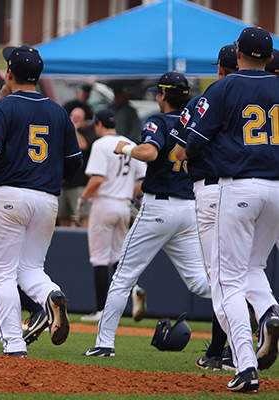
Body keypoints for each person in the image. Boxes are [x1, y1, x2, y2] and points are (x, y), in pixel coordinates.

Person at [82, 72, 212, 360]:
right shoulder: (197, 121)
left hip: (159, 208)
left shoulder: (158, 120)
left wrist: (126, 147)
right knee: (201, 283)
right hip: (188, 208)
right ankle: (252, 303)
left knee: (123, 278)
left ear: (163, 95)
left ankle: (104, 343)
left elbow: (150, 153)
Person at [0, 45, 82, 356]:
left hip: (8, 195)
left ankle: (14, 345)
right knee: (30, 268)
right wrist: (48, 177)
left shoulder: (3, 107)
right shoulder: (58, 111)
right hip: (45, 198)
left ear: (9, 74)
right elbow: (74, 163)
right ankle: (52, 294)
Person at [180, 27, 279, 393]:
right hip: (277, 189)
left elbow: (192, 145)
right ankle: (269, 311)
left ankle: (245, 365)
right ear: (270, 58)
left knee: (226, 282)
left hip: (238, 186)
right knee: (253, 267)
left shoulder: (223, 87)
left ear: (237, 54)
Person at [170, 44, 240, 372]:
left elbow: (182, 149)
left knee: (222, 278)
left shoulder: (210, 97)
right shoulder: (264, 94)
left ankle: (224, 351)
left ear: (223, 68)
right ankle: (224, 346)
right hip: (258, 187)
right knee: (247, 273)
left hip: (215, 191)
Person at [78, 109, 146, 322]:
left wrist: (83, 198)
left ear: (98, 124)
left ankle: (100, 310)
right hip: (123, 204)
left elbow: (97, 179)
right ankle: (134, 289)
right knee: (117, 256)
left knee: (99, 258)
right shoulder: (128, 143)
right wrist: (126, 196)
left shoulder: (100, 144)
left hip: (104, 203)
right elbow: (142, 180)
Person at [57, 107, 96, 227]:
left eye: (77, 118)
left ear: (84, 121)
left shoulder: (88, 134)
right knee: (62, 215)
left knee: (83, 215)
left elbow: (82, 145)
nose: (73, 119)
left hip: (79, 183)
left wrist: (73, 129)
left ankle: (83, 241)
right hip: (63, 182)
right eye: (72, 117)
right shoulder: (62, 132)